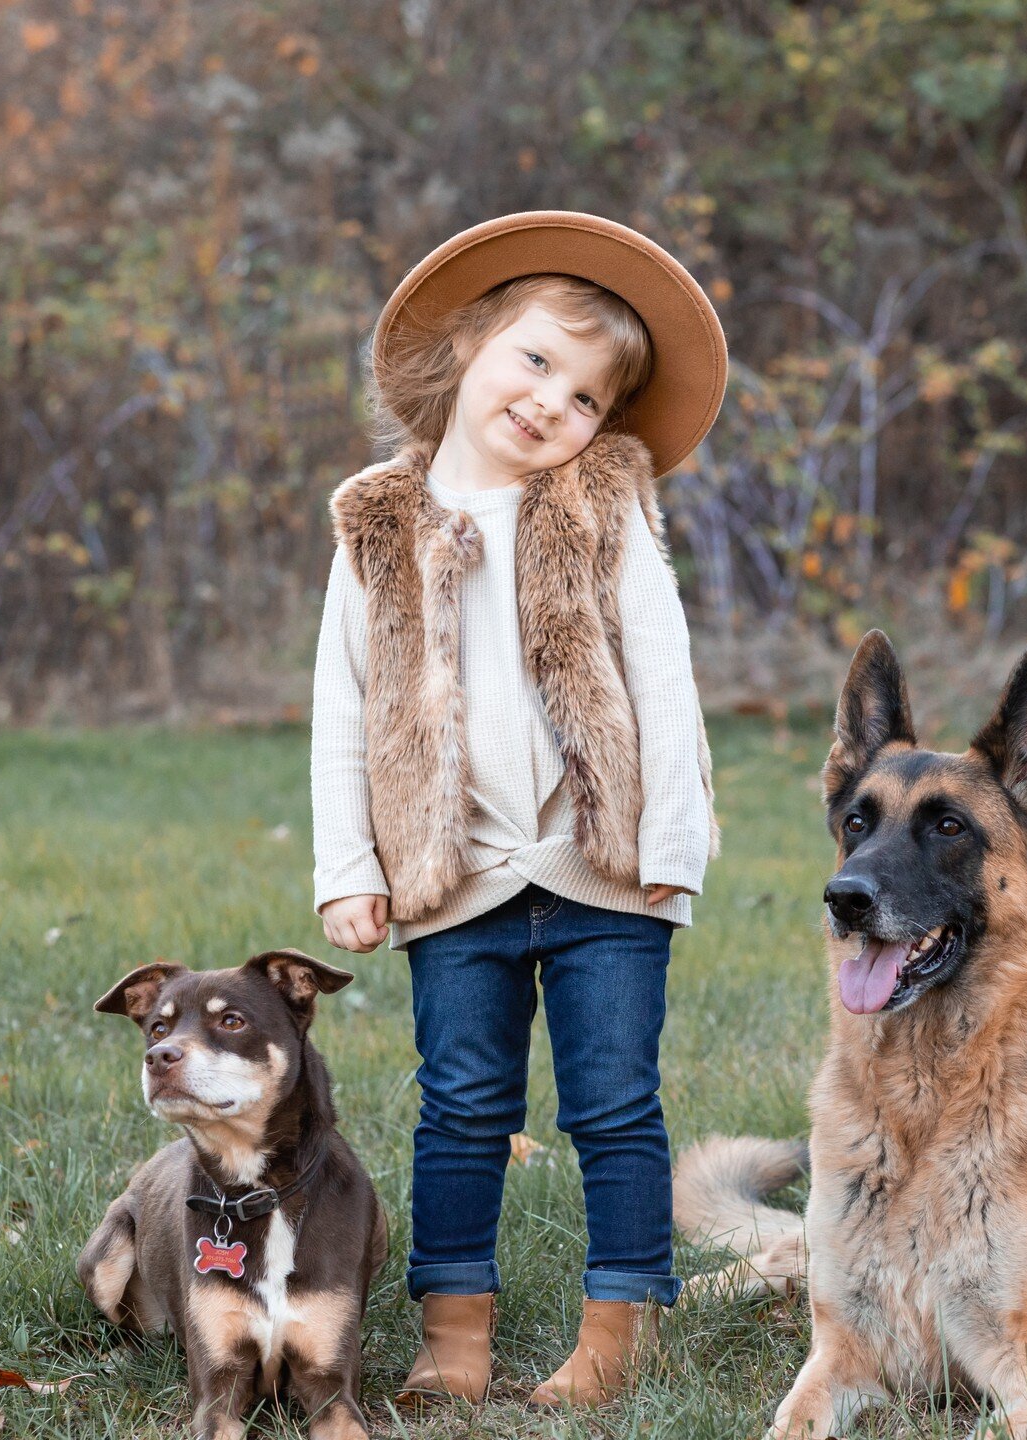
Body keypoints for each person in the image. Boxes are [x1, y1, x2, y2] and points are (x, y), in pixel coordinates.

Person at [309, 211, 727, 1409]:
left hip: (603, 872)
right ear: (470, 345)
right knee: (462, 1105)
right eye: (537, 361)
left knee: (614, 1100)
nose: (556, 404)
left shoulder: (603, 506)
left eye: (590, 396)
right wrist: (351, 864)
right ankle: (454, 1331)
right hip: (455, 874)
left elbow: (663, 670)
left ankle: (618, 1325)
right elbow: (342, 700)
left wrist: (672, 845)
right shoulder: (376, 524)